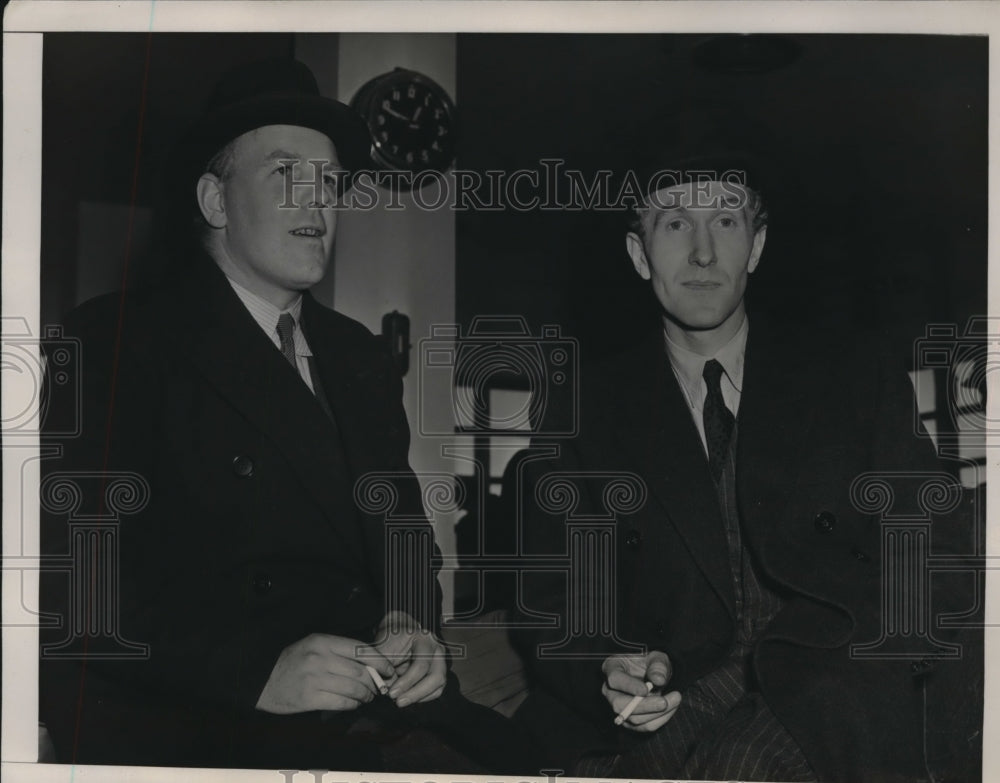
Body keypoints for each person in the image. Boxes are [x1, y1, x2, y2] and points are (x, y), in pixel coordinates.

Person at [39, 58, 534, 773]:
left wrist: (409, 618)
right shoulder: (115, 342)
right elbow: (73, 585)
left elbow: (401, 534)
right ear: (214, 200)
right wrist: (257, 673)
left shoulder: (357, 354)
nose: (317, 201)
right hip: (203, 719)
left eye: (329, 182)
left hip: (370, 705)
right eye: (284, 174)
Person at [511, 156, 977, 781]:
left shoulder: (851, 374)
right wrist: (607, 664)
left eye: (725, 221)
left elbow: (933, 552)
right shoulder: (581, 408)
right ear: (638, 252)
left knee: (736, 767)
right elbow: (555, 602)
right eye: (675, 224)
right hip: (672, 691)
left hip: (836, 684)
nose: (703, 254)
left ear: (756, 246)